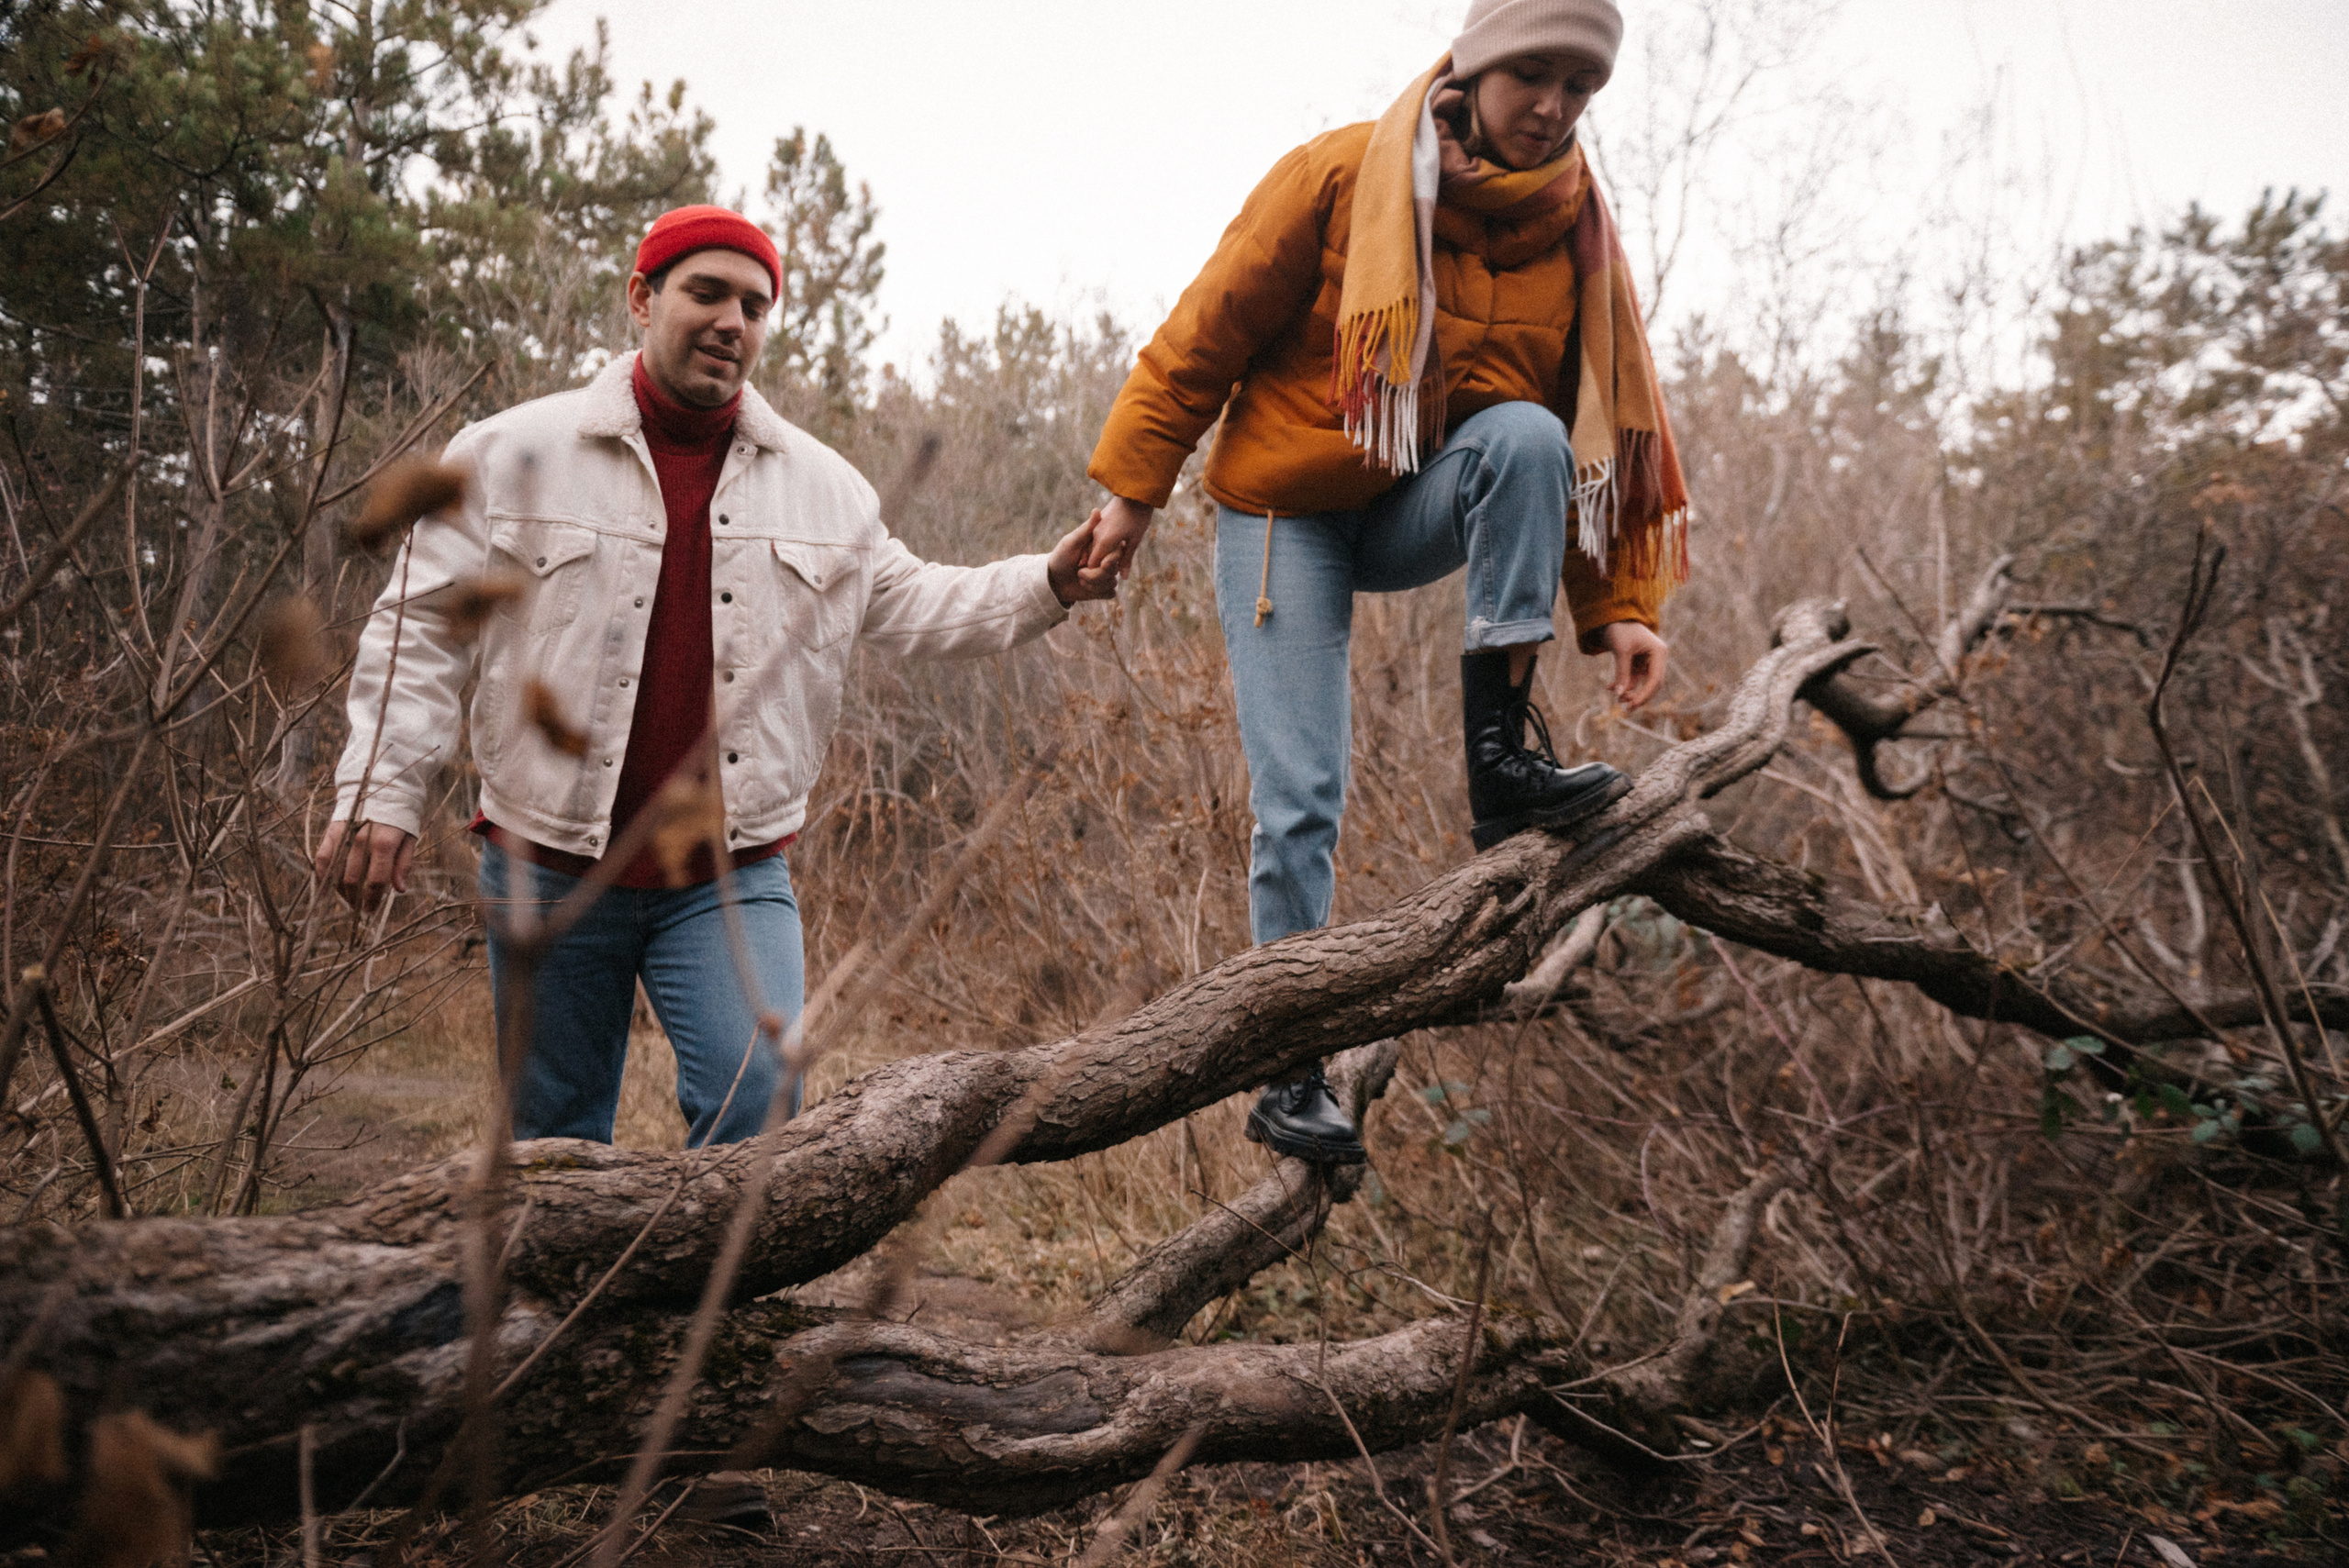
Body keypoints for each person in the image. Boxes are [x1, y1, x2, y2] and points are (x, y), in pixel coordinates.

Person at [317, 205, 1115, 1148]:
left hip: (728, 872)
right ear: (641, 298)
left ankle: (706, 1251)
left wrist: (1049, 581)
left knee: (759, 1097)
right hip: (547, 859)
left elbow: (915, 601)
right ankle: (583, 1253)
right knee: (552, 1138)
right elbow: (418, 625)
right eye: (706, 293)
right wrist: (382, 787)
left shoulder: (823, 487)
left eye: (754, 304)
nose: (732, 320)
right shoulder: (508, 452)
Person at [1081, 0, 1689, 1163]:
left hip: (1415, 501)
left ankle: (1500, 764)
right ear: (1476, 66)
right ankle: (1288, 1069)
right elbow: (1203, 335)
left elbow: (1580, 438)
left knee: (1524, 435)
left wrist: (1617, 610)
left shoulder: (1574, 227)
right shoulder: (1339, 172)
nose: (1552, 106)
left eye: (1579, 87)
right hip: (1285, 511)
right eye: (1532, 76)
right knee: (1301, 798)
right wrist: (1132, 491)